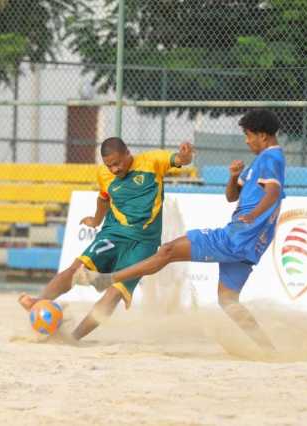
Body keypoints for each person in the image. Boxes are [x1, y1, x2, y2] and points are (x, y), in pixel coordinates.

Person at [74, 109, 285, 351]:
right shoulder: (258, 163)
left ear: (263, 135)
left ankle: (108, 279)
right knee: (228, 300)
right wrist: (233, 176)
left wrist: (253, 215)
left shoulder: (271, 158)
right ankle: (269, 350)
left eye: (249, 135)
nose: (246, 140)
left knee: (167, 251)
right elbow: (230, 196)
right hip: (248, 246)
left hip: (237, 237)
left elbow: (273, 193)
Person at [18, 137, 194, 340]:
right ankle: (38, 302)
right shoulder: (104, 173)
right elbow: (103, 199)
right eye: (109, 165)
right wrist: (95, 220)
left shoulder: (152, 161)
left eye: (117, 163)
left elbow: (179, 160)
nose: (114, 169)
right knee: (76, 269)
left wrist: (184, 156)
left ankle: (73, 338)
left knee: (115, 292)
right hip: (114, 234)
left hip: (143, 243)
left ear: (128, 153)